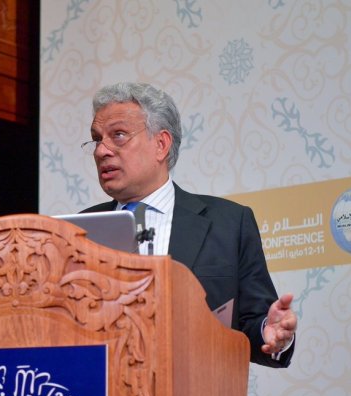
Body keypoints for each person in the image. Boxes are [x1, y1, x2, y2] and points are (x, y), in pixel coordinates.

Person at [80, 82, 296, 367]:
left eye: (118, 135)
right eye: (97, 139)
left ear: (161, 144)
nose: (101, 151)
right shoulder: (79, 231)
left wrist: (270, 333)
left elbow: (254, 324)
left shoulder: (229, 223)